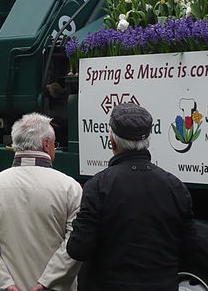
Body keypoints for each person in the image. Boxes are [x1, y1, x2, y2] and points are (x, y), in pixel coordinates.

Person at [66, 103, 196, 291]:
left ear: (112, 141)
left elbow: (78, 249)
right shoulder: (174, 186)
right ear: (148, 140)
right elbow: (189, 248)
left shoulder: (98, 186)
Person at [0, 113, 81, 291]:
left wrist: (4, 285)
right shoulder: (71, 188)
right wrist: (47, 282)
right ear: (46, 144)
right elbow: (75, 242)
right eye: (54, 143)